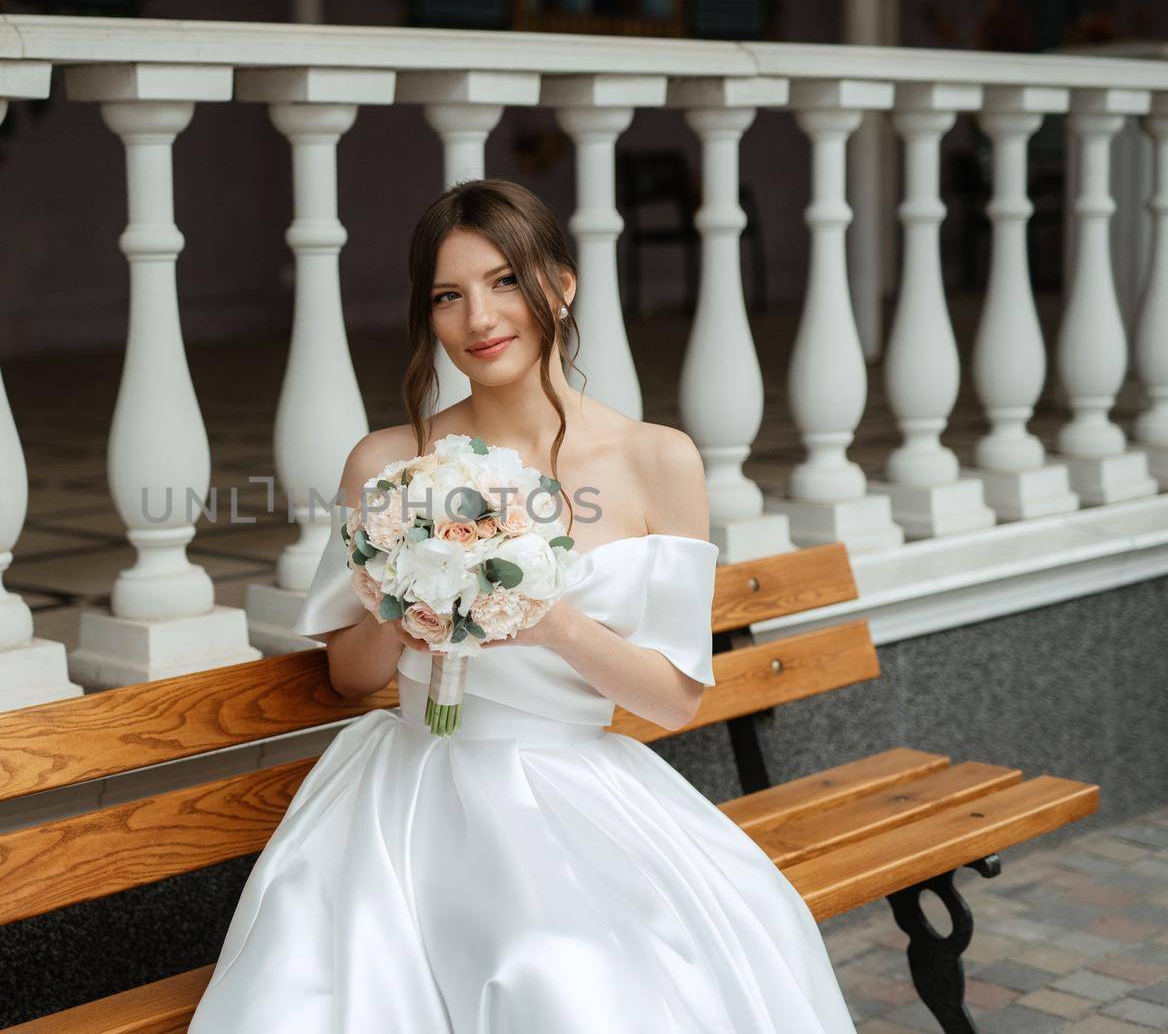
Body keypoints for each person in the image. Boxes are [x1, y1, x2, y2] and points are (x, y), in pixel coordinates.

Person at [186, 179, 855, 1033]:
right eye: (448, 296)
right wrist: (415, 601)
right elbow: (349, 675)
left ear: (561, 286)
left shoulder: (659, 460)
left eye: (504, 281)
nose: (479, 319)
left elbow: (674, 698)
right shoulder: (390, 463)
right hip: (410, 791)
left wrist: (540, 614)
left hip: (574, 784)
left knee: (572, 974)